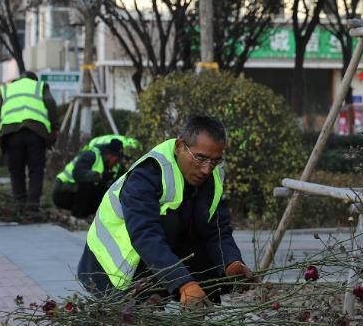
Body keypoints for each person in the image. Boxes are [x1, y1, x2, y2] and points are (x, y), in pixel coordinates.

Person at [77, 116, 253, 305]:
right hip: (110, 272)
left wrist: (232, 263)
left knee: (214, 267)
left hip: (152, 258)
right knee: (169, 222)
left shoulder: (212, 177)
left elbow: (218, 229)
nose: (206, 169)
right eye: (200, 158)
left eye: (215, 161)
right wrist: (183, 283)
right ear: (179, 146)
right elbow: (146, 236)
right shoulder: (145, 176)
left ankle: (179, 296)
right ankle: (153, 295)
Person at [0, 71, 58, 210]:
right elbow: (51, 104)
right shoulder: (40, 86)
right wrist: (54, 128)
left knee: (16, 170)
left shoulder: (6, 89)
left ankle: (20, 205)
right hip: (35, 132)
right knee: (36, 170)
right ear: (34, 80)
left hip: (10, 134)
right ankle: (33, 207)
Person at [53, 137, 130, 219]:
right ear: (110, 155)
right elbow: (78, 173)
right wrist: (100, 176)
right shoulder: (91, 155)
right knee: (87, 184)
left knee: (104, 190)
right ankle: (76, 217)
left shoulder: (110, 165)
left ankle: (89, 216)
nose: (117, 162)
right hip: (62, 191)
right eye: (116, 159)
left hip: (74, 192)